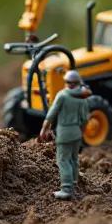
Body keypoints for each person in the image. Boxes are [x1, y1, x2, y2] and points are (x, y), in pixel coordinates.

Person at [38, 70, 91, 200]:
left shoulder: (62, 95)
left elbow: (51, 114)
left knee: (63, 160)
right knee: (74, 159)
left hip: (64, 132)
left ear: (67, 83)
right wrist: (80, 130)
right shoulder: (82, 98)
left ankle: (66, 189)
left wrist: (44, 129)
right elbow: (85, 119)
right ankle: (74, 183)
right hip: (76, 132)